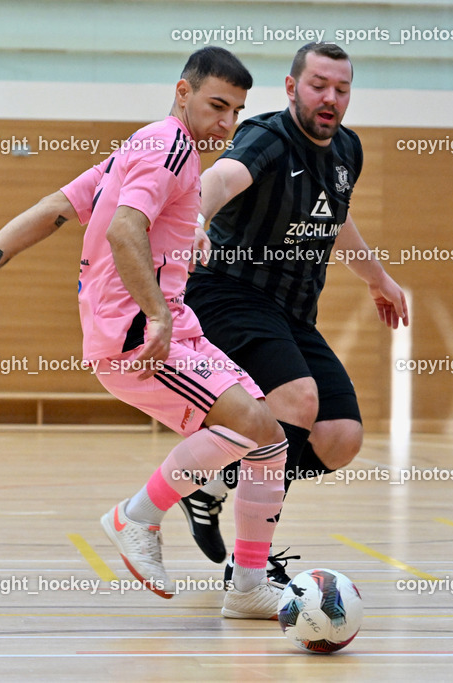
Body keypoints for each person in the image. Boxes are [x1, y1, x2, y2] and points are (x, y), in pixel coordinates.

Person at [0, 47, 289, 619]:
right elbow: (123, 230)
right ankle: (137, 516)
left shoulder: (142, 147)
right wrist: (158, 315)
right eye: (217, 105)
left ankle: (247, 586)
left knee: (268, 438)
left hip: (168, 327)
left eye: (237, 111)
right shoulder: (168, 146)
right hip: (138, 335)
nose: (227, 123)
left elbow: (56, 207)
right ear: (183, 92)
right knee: (250, 426)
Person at [175, 41, 408, 583]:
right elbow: (220, 179)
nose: (330, 98)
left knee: (339, 436)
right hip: (229, 292)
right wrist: (195, 221)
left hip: (293, 312)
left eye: (342, 89)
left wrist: (378, 278)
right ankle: (250, 566)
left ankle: (213, 481)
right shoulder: (267, 136)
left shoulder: (347, 149)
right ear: (291, 87)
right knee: (297, 399)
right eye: (318, 86)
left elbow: (335, 219)